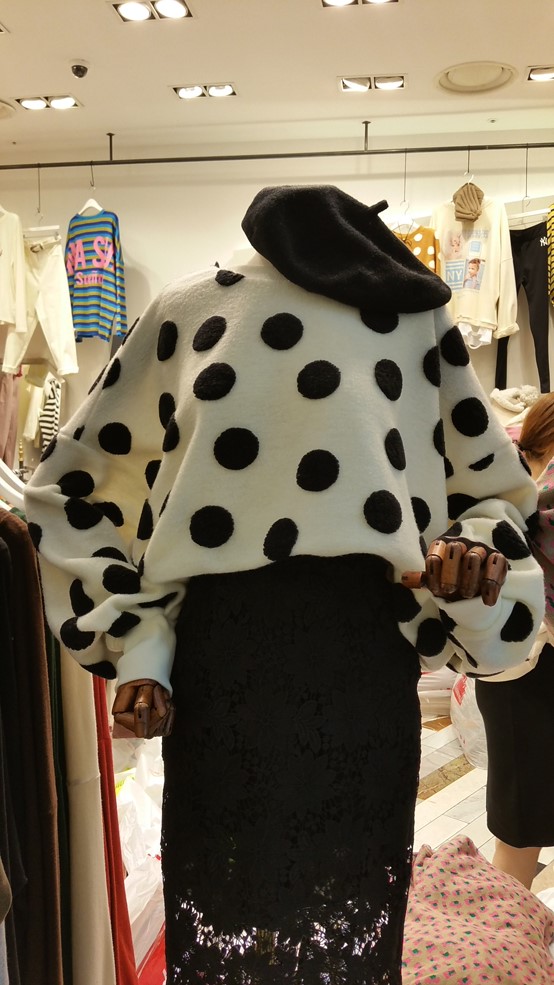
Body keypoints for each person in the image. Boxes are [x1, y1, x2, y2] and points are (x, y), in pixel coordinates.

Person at [24, 185, 544, 985]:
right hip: (224, 685)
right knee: (228, 926)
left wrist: (469, 560)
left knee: (351, 928)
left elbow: (494, 497)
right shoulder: (187, 311)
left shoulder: (415, 319)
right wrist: (140, 643)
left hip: (358, 683)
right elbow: (68, 492)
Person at [476, 391, 554, 890]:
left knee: (523, 825)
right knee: (521, 828)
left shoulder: (494, 474)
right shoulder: (520, 493)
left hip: (514, 663)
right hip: (521, 669)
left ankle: (509, 925)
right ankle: (504, 933)